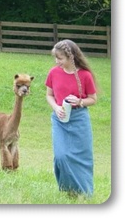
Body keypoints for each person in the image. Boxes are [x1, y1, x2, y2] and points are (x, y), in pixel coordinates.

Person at [45, 39, 97, 197]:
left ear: (71, 57)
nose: (57, 61)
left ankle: (84, 192)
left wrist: (80, 101)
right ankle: (67, 189)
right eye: (56, 57)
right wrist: (56, 107)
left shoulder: (85, 75)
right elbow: (49, 95)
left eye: (60, 58)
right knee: (61, 156)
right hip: (59, 119)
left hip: (79, 119)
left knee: (81, 157)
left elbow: (93, 99)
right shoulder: (53, 72)